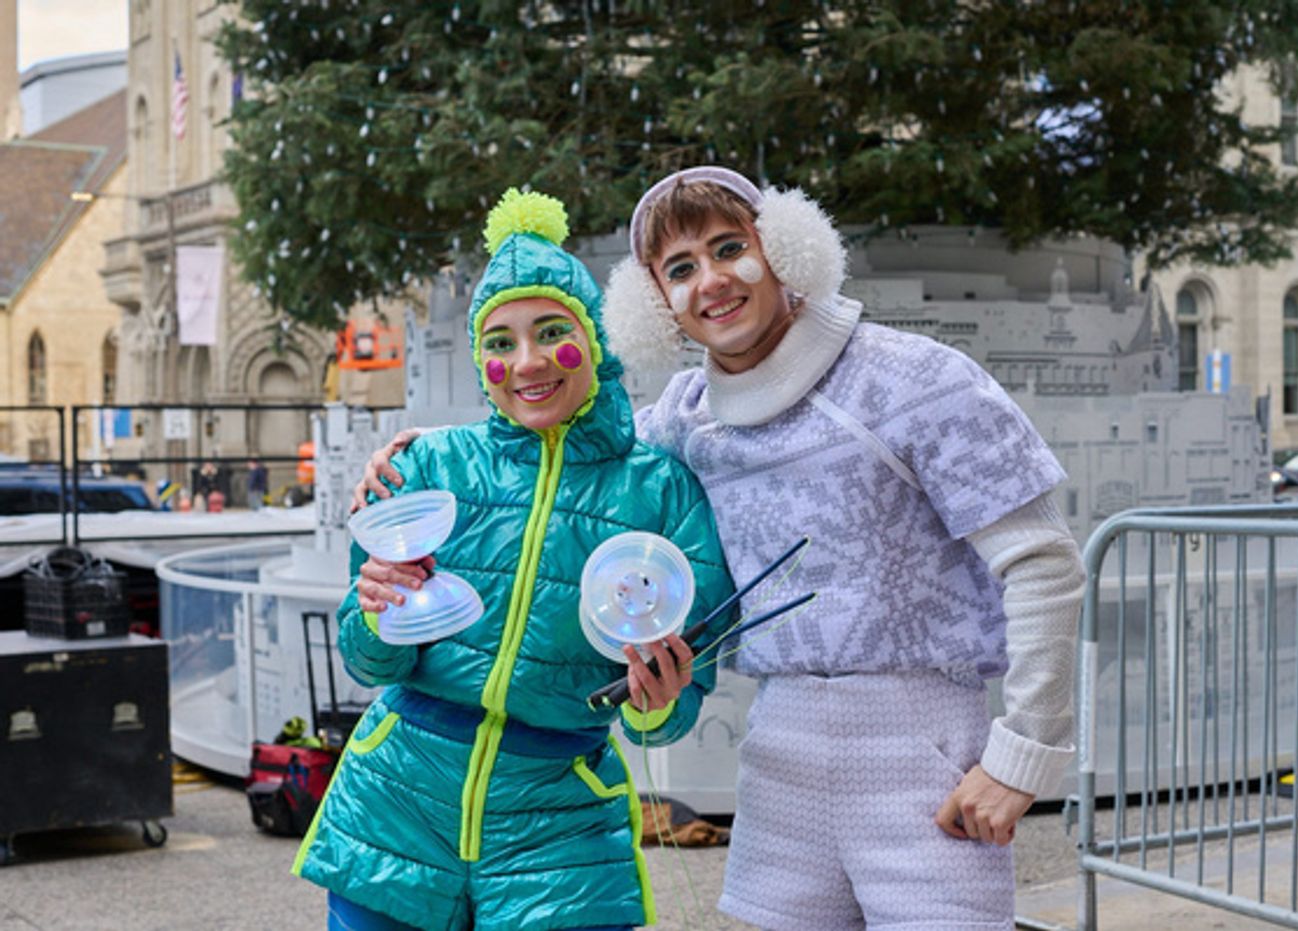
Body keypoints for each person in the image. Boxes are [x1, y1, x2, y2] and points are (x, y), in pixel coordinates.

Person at [357, 167, 1085, 930]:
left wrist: (1023, 754)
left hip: (922, 743)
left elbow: (1041, 559)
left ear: (783, 249)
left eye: (729, 247)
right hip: (781, 756)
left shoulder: (915, 377)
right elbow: (570, 442)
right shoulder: (684, 417)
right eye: (679, 268)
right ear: (657, 303)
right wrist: (423, 452)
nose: (711, 281)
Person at [298, 188, 734, 931]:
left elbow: (675, 709)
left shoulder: (661, 492)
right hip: (398, 807)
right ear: (480, 359)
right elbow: (369, 661)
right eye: (500, 342)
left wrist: (660, 699)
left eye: (551, 332)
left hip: (559, 827)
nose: (527, 362)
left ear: (593, 339)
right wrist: (373, 617)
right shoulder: (428, 465)